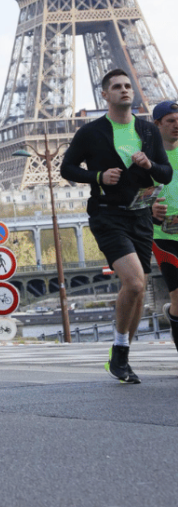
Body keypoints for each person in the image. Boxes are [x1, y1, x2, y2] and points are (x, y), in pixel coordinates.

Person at [60, 69, 172, 383]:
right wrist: (98, 177)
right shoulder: (91, 132)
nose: (124, 90)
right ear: (105, 95)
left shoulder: (148, 131)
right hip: (107, 214)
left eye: (127, 86)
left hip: (141, 214)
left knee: (137, 292)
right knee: (135, 283)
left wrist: (149, 165)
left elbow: (165, 174)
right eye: (116, 87)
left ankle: (121, 355)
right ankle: (120, 351)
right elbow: (66, 167)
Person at [149, 101, 178, 355]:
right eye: (170, 120)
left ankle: (172, 314)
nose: (177, 124)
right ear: (157, 124)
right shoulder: (148, 158)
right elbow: (136, 197)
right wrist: (150, 209)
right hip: (164, 236)